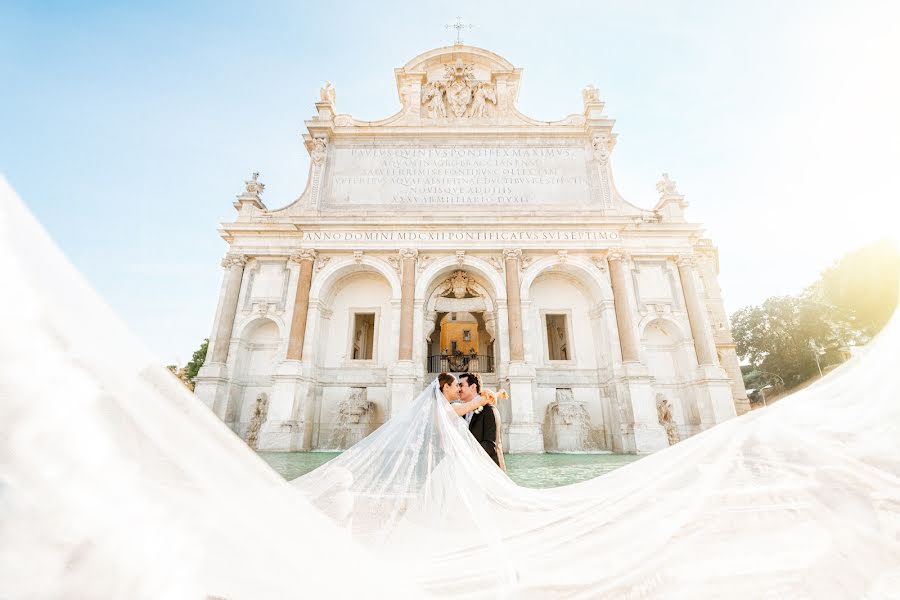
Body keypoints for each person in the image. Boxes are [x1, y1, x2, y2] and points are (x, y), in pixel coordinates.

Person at [457, 372, 506, 470]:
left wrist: (464, 453)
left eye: (461, 385)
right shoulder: (462, 411)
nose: (458, 389)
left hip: (489, 470)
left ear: (473, 387)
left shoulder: (489, 410)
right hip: (470, 469)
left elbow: (490, 445)